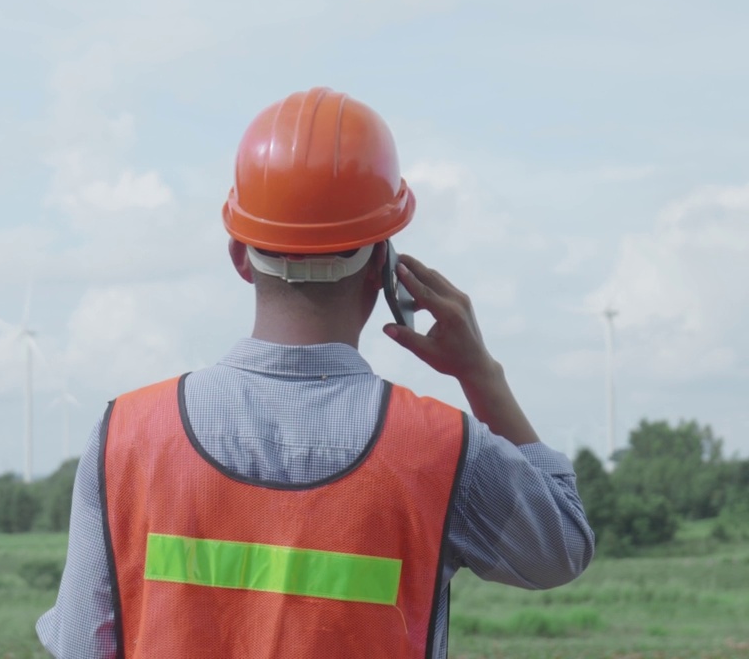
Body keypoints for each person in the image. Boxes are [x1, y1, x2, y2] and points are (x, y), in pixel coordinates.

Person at [36, 87, 594, 658]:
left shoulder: (125, 437)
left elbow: (84, 645)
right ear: (383, 266)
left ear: (238, 255)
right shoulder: (443, 450)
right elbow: (561, 548)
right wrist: (483, 376)